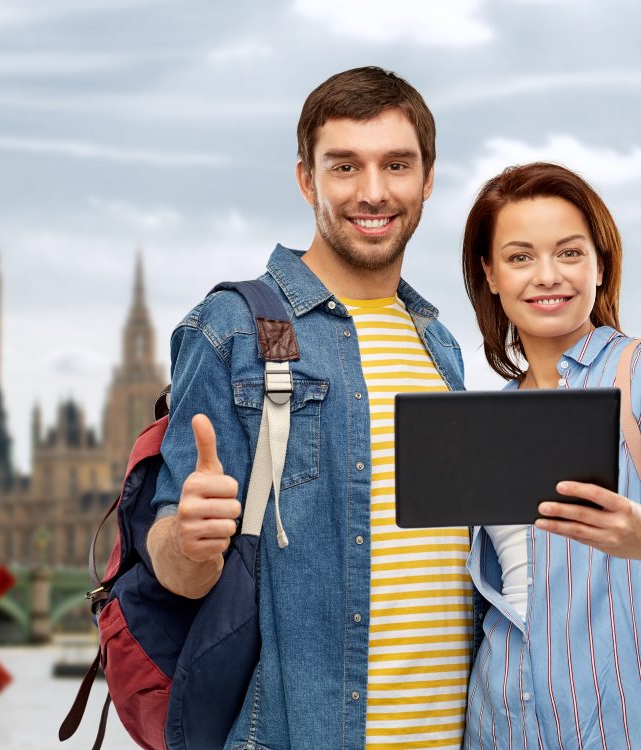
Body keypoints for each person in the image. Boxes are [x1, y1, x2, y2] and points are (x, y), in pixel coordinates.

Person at [147, 66, 479, 750]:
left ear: (428, 177)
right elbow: (174, 560)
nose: (374, 191)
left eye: (396, 164)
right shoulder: (238, 327)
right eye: (345, 166)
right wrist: (187, 538)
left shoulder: (439, 343)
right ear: (307, 180)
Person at [461, 161, 641, 748]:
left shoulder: (634, 377)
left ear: (600, 263)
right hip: (500, 726)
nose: (547, 276)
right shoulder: (486, 422)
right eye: (519, 257)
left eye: (569, 253)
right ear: (489, 274)